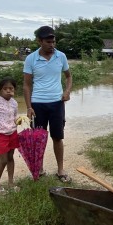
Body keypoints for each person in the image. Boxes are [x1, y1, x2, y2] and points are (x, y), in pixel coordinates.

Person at [23, 25, 73, 182]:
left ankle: (60, 169)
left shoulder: (61, 57)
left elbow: (68, 77)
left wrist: (67, 92)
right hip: (38, 104)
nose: (52, 45)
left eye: (54, 41)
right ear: (39, 41)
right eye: (48, 42)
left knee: (58, 137)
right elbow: (26, 85)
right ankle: (39, 169)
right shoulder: (31, 59)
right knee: (38, 138)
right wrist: (29, 107)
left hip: (57, 103)